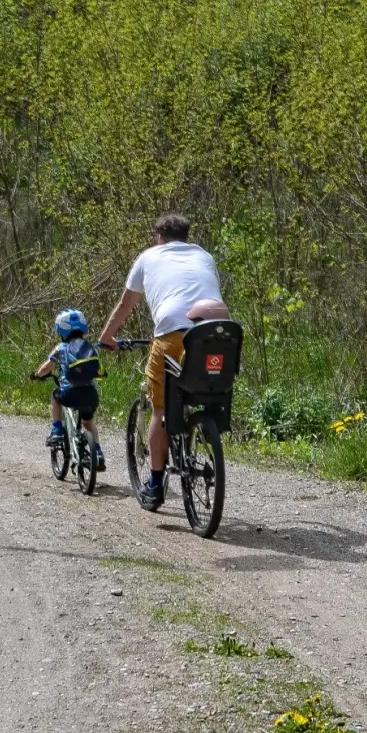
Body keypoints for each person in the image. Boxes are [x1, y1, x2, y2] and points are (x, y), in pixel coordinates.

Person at [98, 212, 224, 510]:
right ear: (186, 235)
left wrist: (106, 337)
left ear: (159, 238)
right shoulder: (204, 256)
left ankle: (155, 483)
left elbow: (126, 303)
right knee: (200, 386)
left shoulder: (148, 257)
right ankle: (200, 430)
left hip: (173, 334)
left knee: (159, 408)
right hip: (217, 335)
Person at [33, 308, 106, 472]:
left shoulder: (60, 347)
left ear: (62, 330)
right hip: (91, 395)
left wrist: (37, 375)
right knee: (88, 423)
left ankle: (57, 429)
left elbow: (47, 367)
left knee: (55, 396)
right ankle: (98, 453)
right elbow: (99, 370)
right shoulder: (88, 347)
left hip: (69, 393)